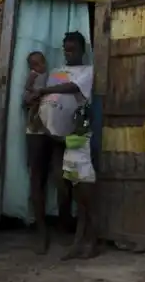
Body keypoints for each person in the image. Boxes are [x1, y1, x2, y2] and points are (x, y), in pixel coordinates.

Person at [28, 31, 96, 259]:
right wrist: (33, 99)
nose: (68, 53)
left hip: (62, 134)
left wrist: (45, 90)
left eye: (73, 49)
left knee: (63, 179)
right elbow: (39, 95)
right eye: (66, 49)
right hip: (39, 129)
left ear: (82, 50)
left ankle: (67, 225)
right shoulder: (56, 71)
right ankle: (41, 233)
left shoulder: (87, 71)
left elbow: (72, 88)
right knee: (36, 178)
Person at [23, 51, 48, 134]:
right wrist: (35, 90)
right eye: (33, 65)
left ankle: (37, 125)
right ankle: (30, 124)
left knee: (40, 109)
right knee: (33, 108)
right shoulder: (34, 74)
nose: (35, 67)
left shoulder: (46, 73)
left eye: (38, 64)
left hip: (40, 95)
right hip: (31, 95)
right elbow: (27, 86)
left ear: (44, 63)